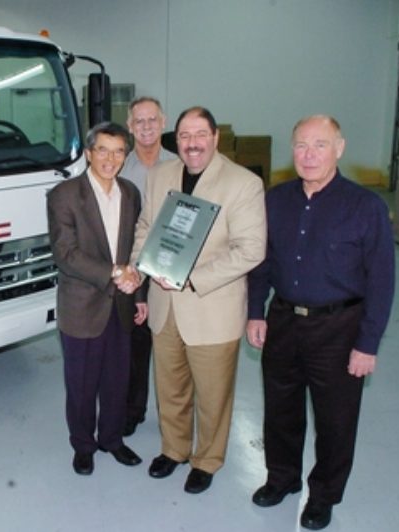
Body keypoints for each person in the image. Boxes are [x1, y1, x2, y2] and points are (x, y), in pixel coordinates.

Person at [246, 115, 395, 530]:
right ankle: (282, 478)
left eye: (320, 145)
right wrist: (256, 311)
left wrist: (367, 344)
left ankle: (324, 495)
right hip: (283, 322)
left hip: (339, 328)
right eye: (300, 146)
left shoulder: (366, 208)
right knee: (280, 410)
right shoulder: (275, 200)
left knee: (335, 419)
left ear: (339, 148)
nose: (308, 155)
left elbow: (382, 282)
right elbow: (261, 263)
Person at [130, 106, 266, 494]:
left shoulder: (242, 183)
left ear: (215, 137)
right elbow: (145, 227)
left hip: (211, 307)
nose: (192, 143)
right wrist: (145, 264)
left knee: (212, 394)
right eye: (185, 136)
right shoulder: (160, 176)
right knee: (170, 387)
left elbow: (251, 250)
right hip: (164, 304)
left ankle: (207, 459)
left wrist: (191, 279)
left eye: (200, 135)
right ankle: (173, 450)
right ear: (177, 139)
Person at [47, 121, 146, 476]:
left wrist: (139, 292)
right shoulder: (64, 195)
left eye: (119, 151)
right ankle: (83, 445)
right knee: (82, 384)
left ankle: (112, 439)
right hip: (81, 308)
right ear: (89, 153)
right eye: (103, 149)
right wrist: (115, 273)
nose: (110, 158)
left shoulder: (131, 193)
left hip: (120, 306)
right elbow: (65, 253)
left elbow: (136, 246)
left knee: (117, 380)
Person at [120, 96, 178, 436]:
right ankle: (133, 410)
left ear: (163, 122)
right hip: (133, 270)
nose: (146, 127)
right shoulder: (119, 168)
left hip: (171, 268)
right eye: (139, 122)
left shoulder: (179, 165)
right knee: (136, 349)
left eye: (152, 120)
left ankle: (173, 418)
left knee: (172, 353)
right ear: (130, 127)